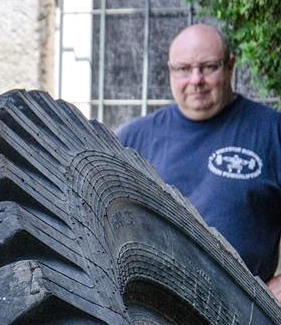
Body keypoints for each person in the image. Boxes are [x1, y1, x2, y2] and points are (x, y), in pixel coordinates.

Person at [116, 23, 281, 299]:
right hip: (150, 315)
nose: (196, 80)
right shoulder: (133, 138)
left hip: (245, 322)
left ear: (230, 66)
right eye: (183, 69)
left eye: (208, 67)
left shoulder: (273, 132)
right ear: (170, 71)